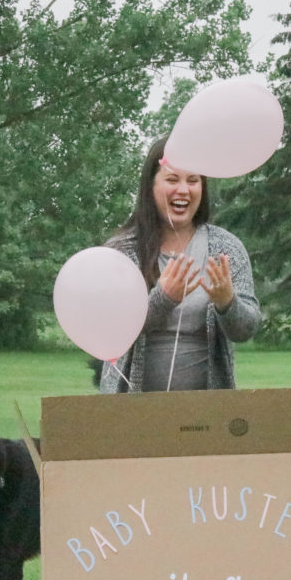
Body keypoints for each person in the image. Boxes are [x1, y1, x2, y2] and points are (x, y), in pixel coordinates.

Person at [98, 135, 261, 393]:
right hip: (130, 412)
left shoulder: (226, 248)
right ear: (150, 187)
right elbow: (110, 331)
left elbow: (246, 330)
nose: (183, 190)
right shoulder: (121, 251)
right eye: (172, 179)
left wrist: (227, 302)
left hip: (207, 413)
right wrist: (164, 298)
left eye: (193, 181)